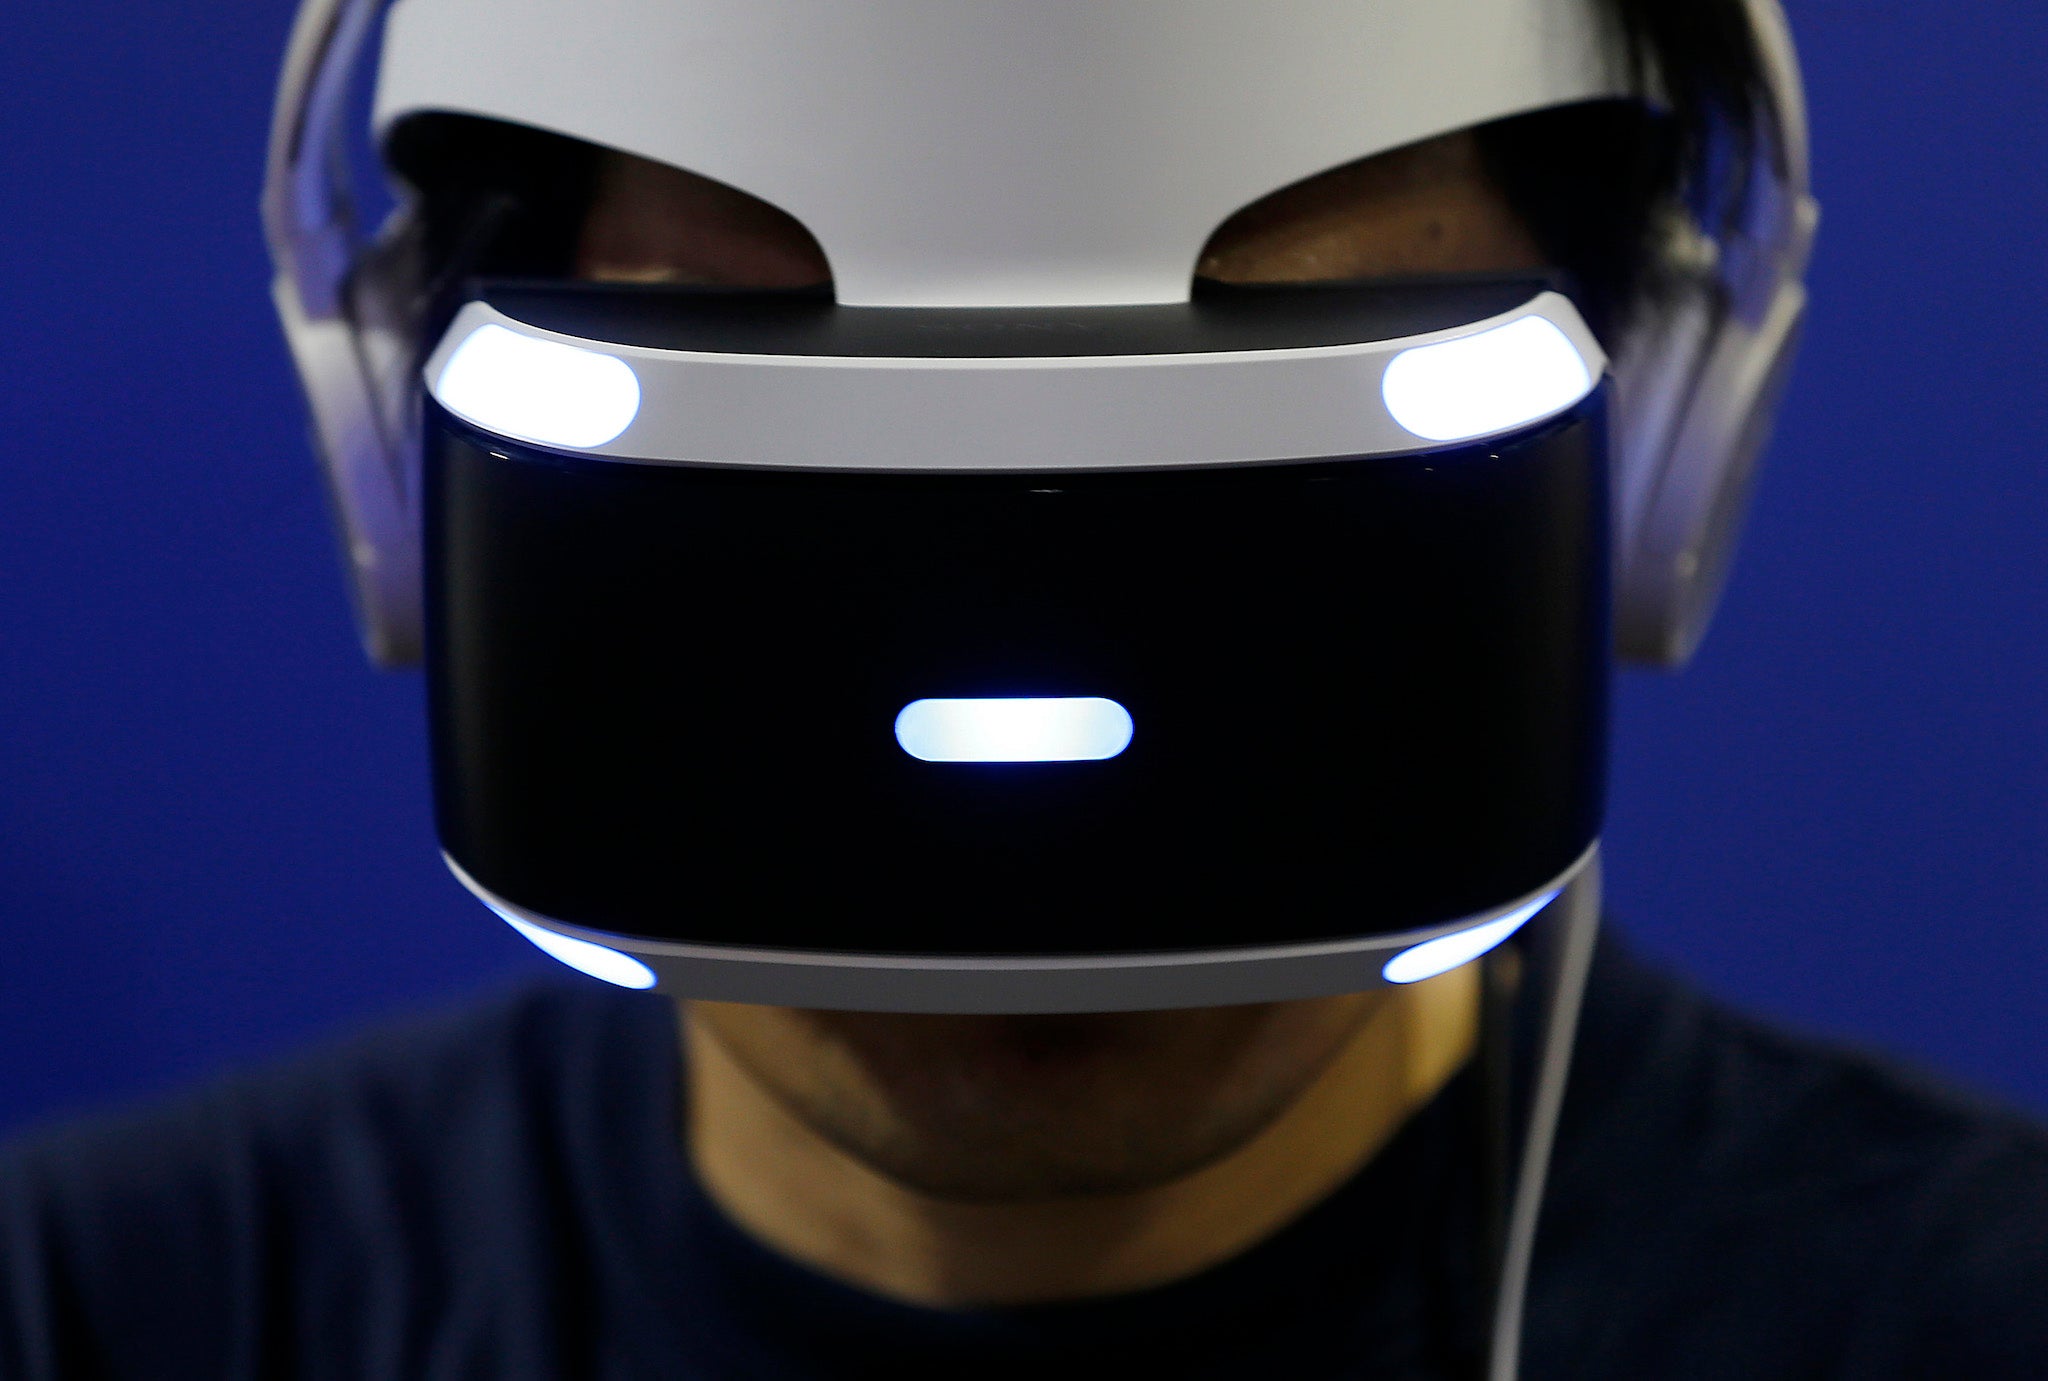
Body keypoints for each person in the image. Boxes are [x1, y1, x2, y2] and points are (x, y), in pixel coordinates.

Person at [4, 2, 2046, 1377]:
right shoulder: (103, 1313)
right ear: (401, 464)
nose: (1017, 703)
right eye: (779, 415)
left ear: (1651, 457)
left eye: (1263, 430)